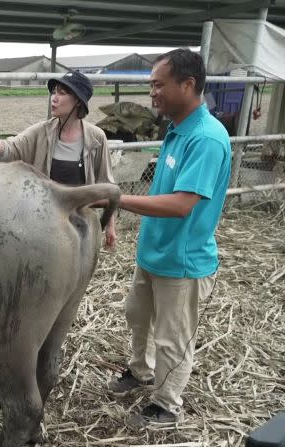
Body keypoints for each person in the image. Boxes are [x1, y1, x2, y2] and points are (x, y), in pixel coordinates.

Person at [106, 49, 231, 424]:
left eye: (158, 85)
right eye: (151, 85)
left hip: (183, 261)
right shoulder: (177, 129)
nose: (152, 93)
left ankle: (166, 404)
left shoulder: (206, 138)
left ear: (188, 85)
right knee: (137, 316)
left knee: (173, 339)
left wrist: (116, 198)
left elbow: (181, 204)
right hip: (154, 252)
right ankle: (141, 372)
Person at [0, 70, 117, 248]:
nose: (54, 98)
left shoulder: (96, 138)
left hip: (80, 223)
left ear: (78, 102)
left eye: (62, 93)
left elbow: (107, 184)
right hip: (44, 222)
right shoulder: (40, 131)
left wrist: (111, 226)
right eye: (54, 92)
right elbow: (13, 148)